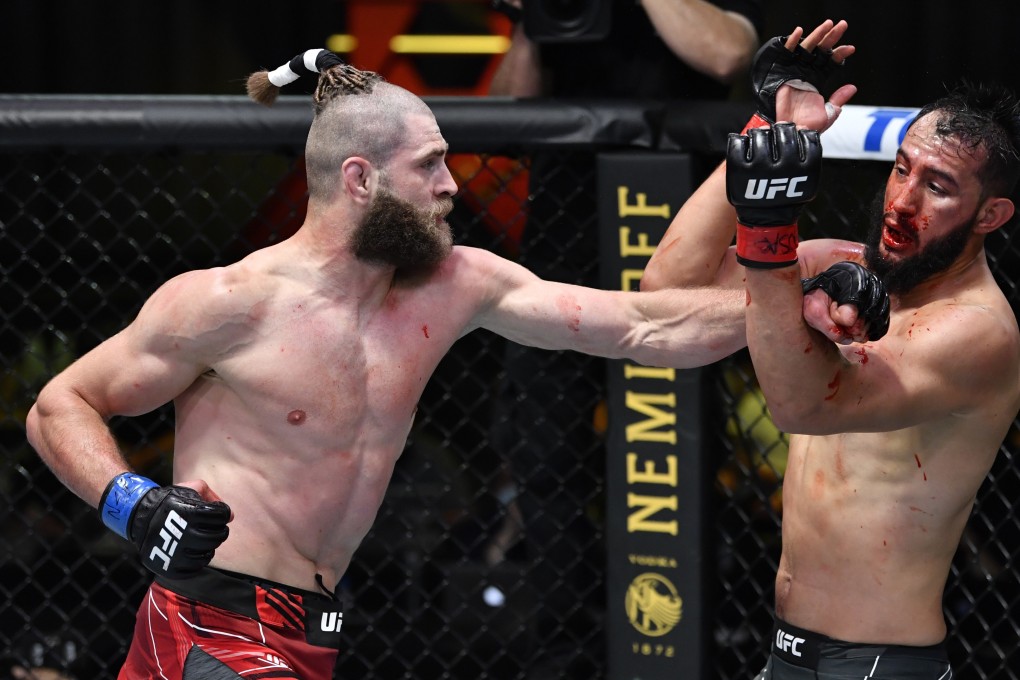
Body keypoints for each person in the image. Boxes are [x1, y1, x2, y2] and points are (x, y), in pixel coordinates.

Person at [23, 51, 874, 679]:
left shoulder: (456, 284)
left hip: (307, 629)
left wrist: (787, 290)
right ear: (360, 179)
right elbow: (60, 404)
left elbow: (646, 328)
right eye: (429, 165)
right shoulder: (228, 302)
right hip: (210, 622)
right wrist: (131, 503)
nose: (453, 185)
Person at [643, 19, 1020, 679]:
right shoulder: (839, 264)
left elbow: (802, 404)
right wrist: (767, 133)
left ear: (991, 215)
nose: (902, 200)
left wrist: (770, 236)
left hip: (879, 662)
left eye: (937, 186)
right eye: (902, 168)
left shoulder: (978, 332)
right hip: (787, 653)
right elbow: (669, 288)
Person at [483, 0, 764, 664]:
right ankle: (567, 641)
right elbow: (508, 105)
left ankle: (685, 633)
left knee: (674, 438)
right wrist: (530, 21)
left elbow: (727, 54)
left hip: (677, 235)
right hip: (565, 232)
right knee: (542, 449)